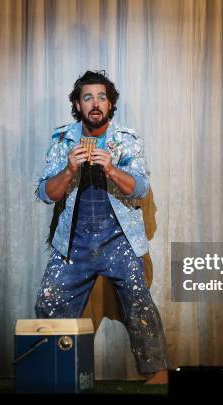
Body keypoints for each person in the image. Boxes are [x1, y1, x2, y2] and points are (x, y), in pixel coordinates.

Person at [34, 70, 168, 384]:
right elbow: (46, 193)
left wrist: (111, 167)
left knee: (139, 302)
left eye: (102, 97)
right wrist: (69, 169)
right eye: (88, 97)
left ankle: (158, 374)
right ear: (78, 105)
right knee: (48, 300)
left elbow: (140, 189)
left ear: (110, 104)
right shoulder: (62, 139)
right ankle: (55, 371)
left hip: (118, 240)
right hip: (74, 243)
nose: (96, 103)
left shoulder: (126, 139)